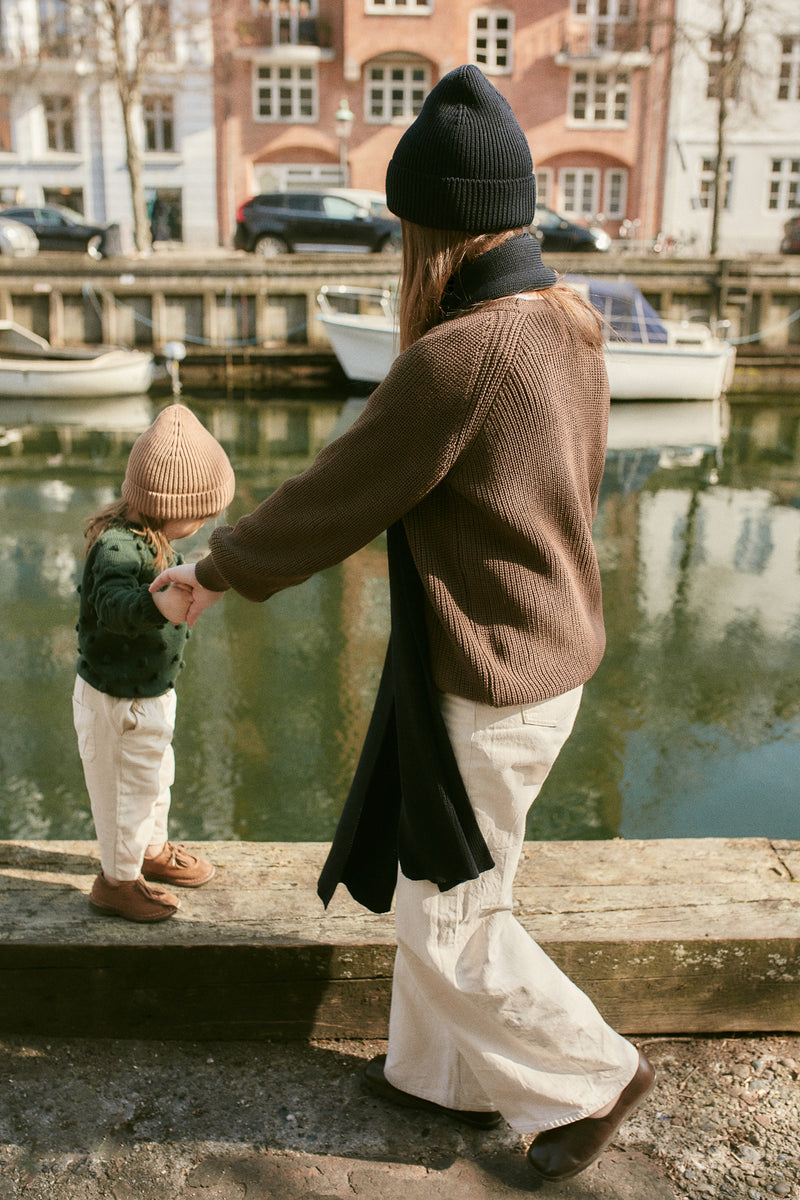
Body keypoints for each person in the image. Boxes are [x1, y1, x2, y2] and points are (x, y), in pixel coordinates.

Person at [149, 65, 654, 1181]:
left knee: (447, 916)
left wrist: (213, 572)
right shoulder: (564, 318)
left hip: (490, 667)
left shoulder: (461, 353)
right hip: (548, 646)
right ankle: (439, 1078)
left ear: (427, 225)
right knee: (468, 885)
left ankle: (591, 1073)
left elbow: (342, 487)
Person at [74, 403, 235, 923]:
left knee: (153, 779)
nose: (207, 522)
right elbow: (114, 605)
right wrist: (156, 605)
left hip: (147, 695)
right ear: (172, 505)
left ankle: (150, 851)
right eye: (204, 513)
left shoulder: (151, 535)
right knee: (126, 791)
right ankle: (117, 882)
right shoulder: (121, 547)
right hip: (120, 703)